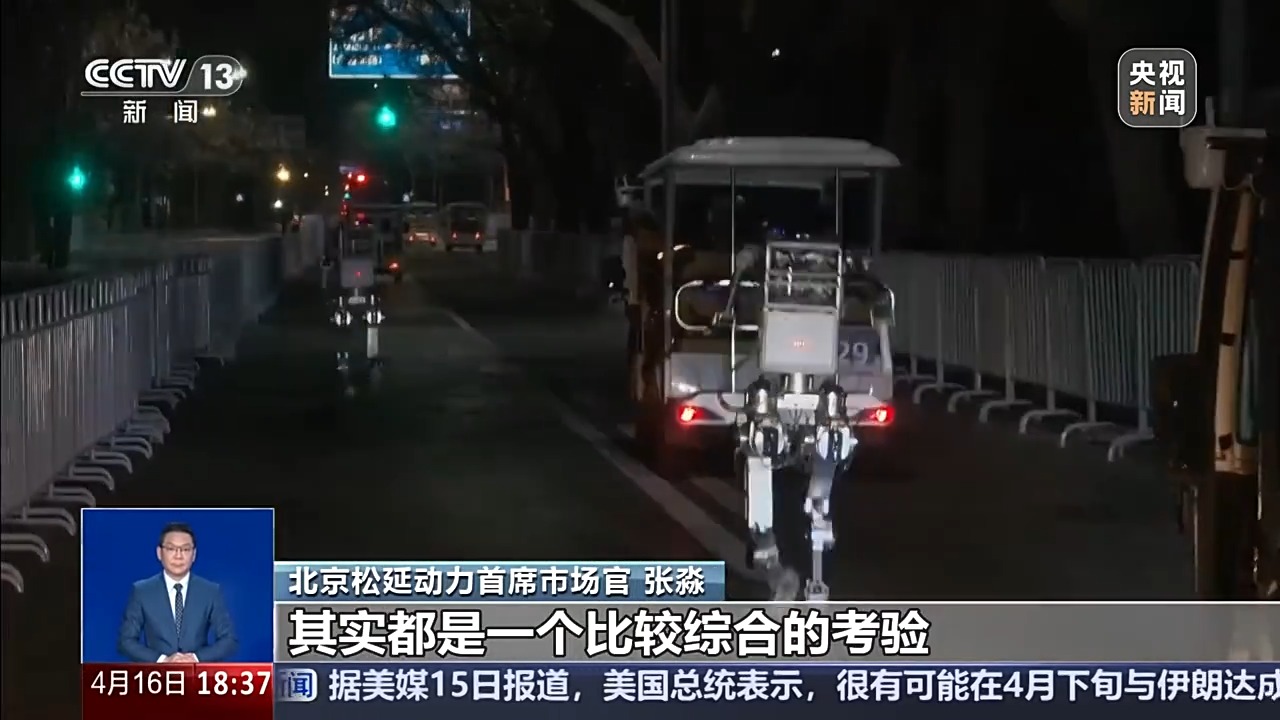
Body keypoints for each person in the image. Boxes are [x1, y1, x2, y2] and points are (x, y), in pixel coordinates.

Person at [116, 522, 238, 663]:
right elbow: (126, 641)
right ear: (159, 553)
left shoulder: (210, 591)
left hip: (198, 673)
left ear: (194, 554)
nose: (178, 556)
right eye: (171, 549)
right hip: (157, 674)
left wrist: (195, 658)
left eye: (185, 549)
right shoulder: (142, 591)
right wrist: (163, 660)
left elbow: (229, 640)